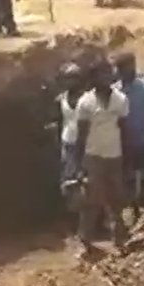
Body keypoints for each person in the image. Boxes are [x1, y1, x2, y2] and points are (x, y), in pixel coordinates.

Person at [74, 58, 129, 251]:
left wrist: (127, 156)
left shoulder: (120, 99)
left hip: (115, 155)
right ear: (94, 77)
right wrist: (79, 163)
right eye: (102, 74)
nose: (106, 77)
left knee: (117, 199)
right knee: (92, 201)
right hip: (93, 157)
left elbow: (124, 129)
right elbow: (81, 135)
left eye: (109, 73)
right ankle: (85, 241)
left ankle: (120, 240)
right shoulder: (85, 102)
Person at [113, 52, 144, 216]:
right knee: (127, 182)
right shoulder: (114, 91)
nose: (127, 70)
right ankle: (132, 214)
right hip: (122, 145)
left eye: (129, 66)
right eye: (122, 67)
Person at [55, 62, 85, 205]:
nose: (71, 82)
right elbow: (60, 122)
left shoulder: (88, 99)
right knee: (69, 180)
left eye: (74, 78)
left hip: (85, 144)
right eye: (68, 78)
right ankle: (73, 211)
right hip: (68, 143)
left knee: (86, 180)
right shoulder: (61, 99)